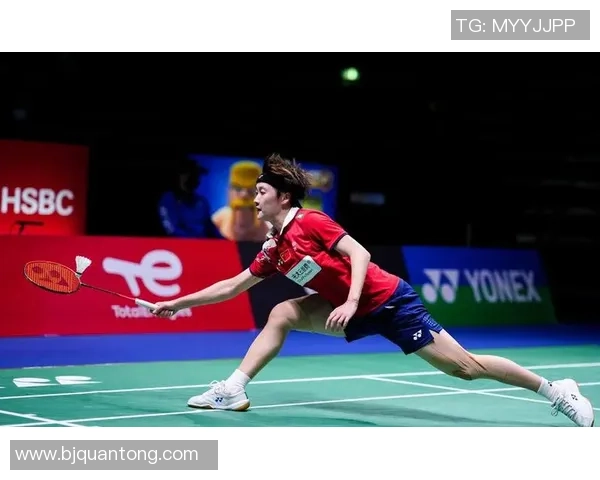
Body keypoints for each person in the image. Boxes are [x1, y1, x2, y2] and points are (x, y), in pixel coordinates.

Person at [151, 153, 595, 427]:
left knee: (465, 368)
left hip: (388, 301)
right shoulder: (274, 249)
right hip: (347, 308)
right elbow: (233, 285)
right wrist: (176, 302)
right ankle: (233, 389)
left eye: (261, 191)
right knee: (282, 312)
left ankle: (556, 389)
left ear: (283, 197)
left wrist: (349, 301)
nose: (254, 198)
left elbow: (359, 254)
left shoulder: (311, 222)